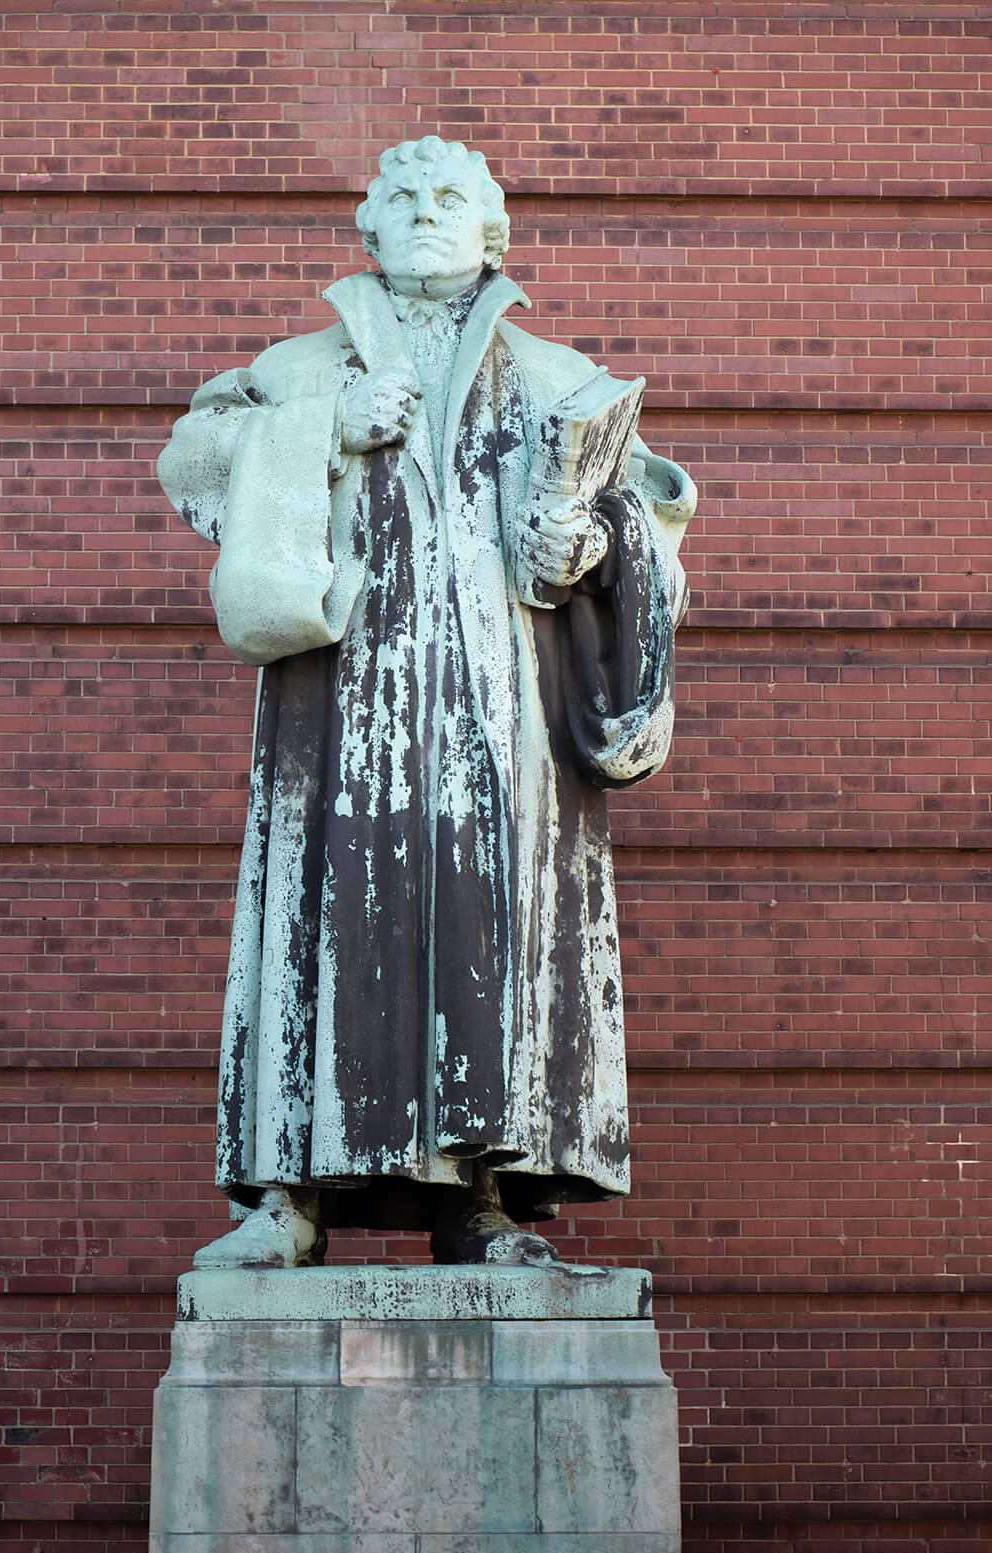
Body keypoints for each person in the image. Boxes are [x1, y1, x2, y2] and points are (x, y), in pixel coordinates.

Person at [157, 135, 695, 1268]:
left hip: (507, 720)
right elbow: (195, 463)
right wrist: (324, 431)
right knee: (319, 922)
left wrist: (592, 543)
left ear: (494, 230)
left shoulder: (559, 378)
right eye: (400, 197)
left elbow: (652, 524)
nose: (425, 212)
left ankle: (486, 1204)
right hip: (341, 705)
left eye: (452, 197)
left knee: (493, 932)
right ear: (369, 229)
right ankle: (289, 1199)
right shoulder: (304, 366)